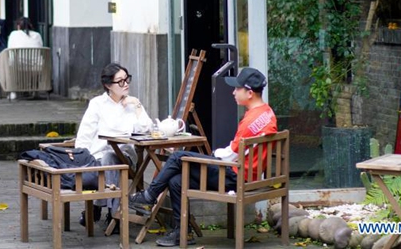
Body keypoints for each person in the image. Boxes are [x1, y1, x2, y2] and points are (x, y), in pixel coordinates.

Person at [128, 67, 277, 247]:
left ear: (250, 93)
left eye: (237, 89)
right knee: (176, 180)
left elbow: (230, 155)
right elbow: (239, 151)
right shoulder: (268, 113)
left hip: (235, 177)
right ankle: (182, 232)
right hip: (250, 174)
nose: (233, 92)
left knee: (178, 158)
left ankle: (149, 195)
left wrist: (214, 154)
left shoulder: (250, 121)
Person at [75, 63, 153, 233]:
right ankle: (114, 213)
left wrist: (137, 105)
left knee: (110, 157)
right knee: (106, 158)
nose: (126, 84)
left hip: (125, 158)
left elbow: (147, 128)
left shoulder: (132, 103)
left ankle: (103, 208)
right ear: (108, 85)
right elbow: (84, 137)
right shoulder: (97, 104)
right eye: (120, 81)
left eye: (127, 79)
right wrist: (82, 160)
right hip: (97, 161)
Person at [5, 17, 44, 100]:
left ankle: (13, 91)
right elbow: (40, 48)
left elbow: (9, 50)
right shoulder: (37, 35)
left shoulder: (14, 34)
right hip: (36, 68)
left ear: (18, 26)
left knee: (10, 61)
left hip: (18, 68)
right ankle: (35, 91)